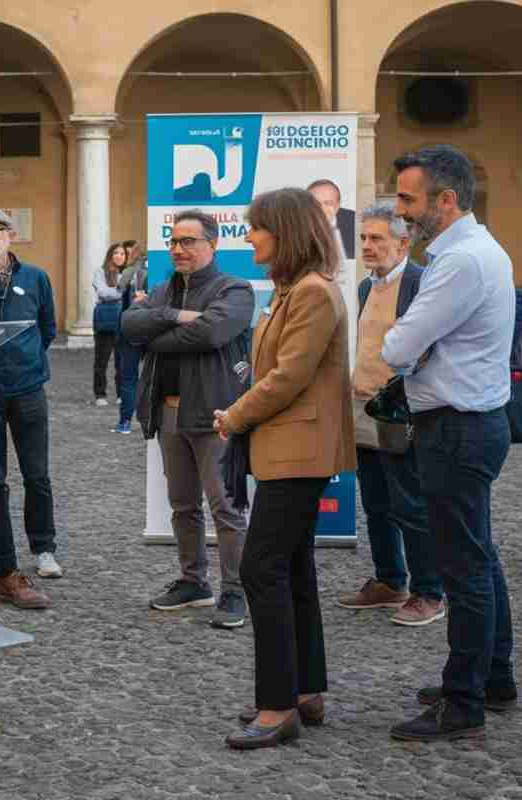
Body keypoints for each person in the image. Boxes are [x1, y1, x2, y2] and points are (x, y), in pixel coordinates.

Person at [383, 145, 517, 742]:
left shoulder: (461, 262)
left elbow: (396, 347)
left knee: (463, 567)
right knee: (478, 555)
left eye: (409, 200)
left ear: (446, 199)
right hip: (470, 423)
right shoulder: (471, 252)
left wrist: (405, 345)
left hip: (456, 429)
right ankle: (493, 677)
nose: (401, 212)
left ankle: (463, 702)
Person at [213, 187, 354, 749]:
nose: (248, 237)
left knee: (261, 569)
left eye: (257, 228)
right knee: (292, 569)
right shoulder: (295, 290)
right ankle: (303, 690)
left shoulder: (312, 293)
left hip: (298, 454)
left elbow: (288, 377)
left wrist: (236, 417)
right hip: (289, 450)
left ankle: (277, 706)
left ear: (285, 232)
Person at [121, 211, 253, 629]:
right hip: (169, 412)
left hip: (215, 414)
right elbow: (128, 324)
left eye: (188, 241)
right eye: (174, 241)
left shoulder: (235, 289)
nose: (178, 248)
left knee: (225, 508)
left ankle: (235, 591)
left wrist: (156, 328)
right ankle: (194, 581)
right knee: (182, 506)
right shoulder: (165, 290)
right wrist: (175, 317)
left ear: (211, 244)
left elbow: (212, 334)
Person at [336, 204, 444, 626]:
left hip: (401, 411)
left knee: (410, 504)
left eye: (377, 238)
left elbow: (429, 349)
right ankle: (389, 580)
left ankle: (429, 591)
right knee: (376, 502)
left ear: (403, 242)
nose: (367, 245)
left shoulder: (421, 284)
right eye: (364, 238)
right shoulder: (365, 287)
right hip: (362, 410)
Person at [0, 209, 60, 594]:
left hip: (28, 388)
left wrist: (30, 360)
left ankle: (44, 548)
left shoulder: (35, 278)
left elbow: (48, 328)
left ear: (11, 235)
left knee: (37, 474)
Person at [113, 240, 149, 434]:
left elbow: (119, 289)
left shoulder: (129, 272)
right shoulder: (160, 269)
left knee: (129, 378)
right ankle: (151, 420)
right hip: (154, 328)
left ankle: (125, 421)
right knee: (153, 376)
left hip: (131, 328)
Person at [91, 242, 126, 407]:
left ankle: (122, 393)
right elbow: (103, 293)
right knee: (101, 360)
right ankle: (100, 394)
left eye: (122, 254)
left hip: (124, 320)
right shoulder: (100, 272)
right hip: (105, 320)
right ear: (110, 255)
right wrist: (121, 291)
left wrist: (118, 292)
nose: (119, 256)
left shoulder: (128, 273)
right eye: (116, 253)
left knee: (123, 360)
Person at [308, 179, 355, 260]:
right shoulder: (296, 225)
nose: (321, 209)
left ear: (338, 205)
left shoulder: (355, 221)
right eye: (315, 203)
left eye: (328, 203)